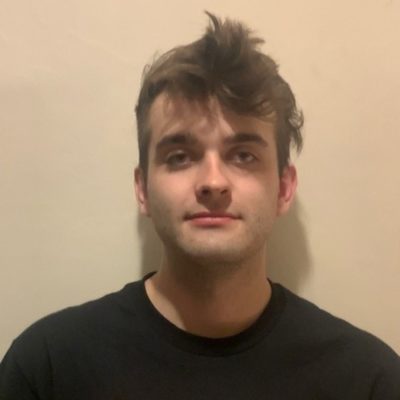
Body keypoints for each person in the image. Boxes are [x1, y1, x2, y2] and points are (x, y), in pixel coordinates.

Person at [1, 12, 399, 400]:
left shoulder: (370, 381)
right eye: (179, 156)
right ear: (142, 189)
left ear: (283, 188)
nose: (212, 182)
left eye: (243, 155)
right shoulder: (47, 370)